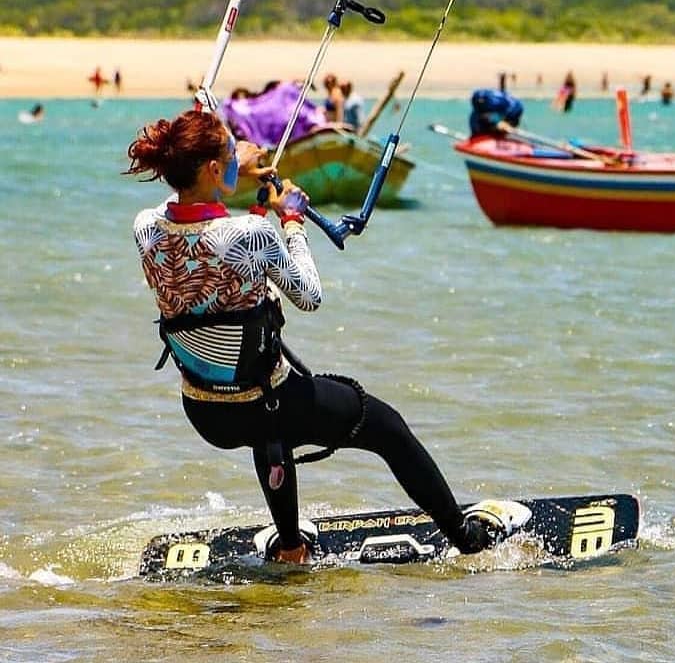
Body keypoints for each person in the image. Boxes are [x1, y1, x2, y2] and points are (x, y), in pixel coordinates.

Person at [126, 109, 502, 564]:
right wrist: (292, 222)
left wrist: (235, 170)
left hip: (205, 411)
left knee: (270, 428)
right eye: (230, 152)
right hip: (267, 403)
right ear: (209, 168)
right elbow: (308, 296)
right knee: (386, 427)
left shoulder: (145, 227)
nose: (239, 154)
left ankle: (290, 548)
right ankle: (466, 539)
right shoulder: (253, 234)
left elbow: (208, 239)